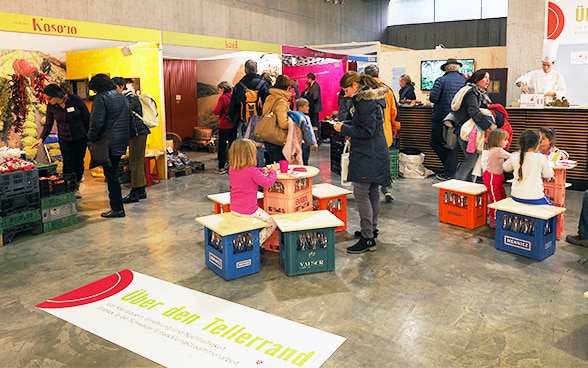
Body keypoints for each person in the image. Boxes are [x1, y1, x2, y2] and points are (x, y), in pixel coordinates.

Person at [332, 71, 391, 254]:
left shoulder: (365, 102)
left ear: (355, 86)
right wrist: (349, 126)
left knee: (361, 193)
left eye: (346, 89)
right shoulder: (371, 100)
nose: (345, 93)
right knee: (372, 191)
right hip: (375, 152)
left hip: (368, 154)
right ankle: (371, 230)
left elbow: (367, 131)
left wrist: (344, 128)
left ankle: (367, 239)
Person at [32, 83, 90, 199]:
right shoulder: (52, 107)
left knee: (78, 162)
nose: (48, 101)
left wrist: (89, 136)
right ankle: (69, 187)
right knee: (68, 163)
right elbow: (48, 124)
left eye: (49, 98)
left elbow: (87, 118)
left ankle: (76, 185)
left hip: (80, 137)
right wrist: (41, 139)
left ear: (57, 95)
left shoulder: (75, 100)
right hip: (64, 138)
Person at [87, 74, 131, 218]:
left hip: (107, 142)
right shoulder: (121, 97)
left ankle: (117, 208)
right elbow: (128, 118)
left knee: (111, 176)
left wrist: (91, 138)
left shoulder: (102, 98)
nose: (94, 93)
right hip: (121, 140)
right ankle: (118, 207)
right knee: (114, 174)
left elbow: (97, 122)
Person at [228, 139, 279, 246]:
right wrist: (273, 171)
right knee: (272, 223)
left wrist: (261, 170)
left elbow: (246, 174)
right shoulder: (251, 171)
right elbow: (268, 183)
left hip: (234, 208)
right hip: (249, 210)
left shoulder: (232, 168)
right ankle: (255, 244)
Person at [363, 64, 400, 202]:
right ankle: (386, 188)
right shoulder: (387, 90)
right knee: (384, 161)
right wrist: (396, 128)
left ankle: (368, 188)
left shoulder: (362, 90)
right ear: (378, 75)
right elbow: (394, 112)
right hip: (385, 133)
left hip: (366, 133)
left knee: (367, 161)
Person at [451, 69, 495, 182]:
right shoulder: (472, 93)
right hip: (468, 131)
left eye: (488, 78)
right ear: (477, 79)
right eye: (485, 77)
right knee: (472, 159)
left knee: (473, 160)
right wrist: (488, 126)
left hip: (469, 130)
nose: (488, 80)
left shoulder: (476, 92)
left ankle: (468, 186)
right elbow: (474, 112)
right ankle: (457, 184)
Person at [112, 77, 150, 203]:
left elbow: (125, 115)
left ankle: (135, 192)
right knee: (136, 162)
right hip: (137, 132)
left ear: (121, 86)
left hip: (137, 133)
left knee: (135, 162)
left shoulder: (129, 98)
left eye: (114, 87)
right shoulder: (128, 97)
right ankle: (140, 191)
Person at [429, 58, 467, 181]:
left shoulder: (441, 80)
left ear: (446, 68)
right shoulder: (465, 81)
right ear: (458, 68)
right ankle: (450, 170)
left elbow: (433, 98)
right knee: (452, 145)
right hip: (459, 118)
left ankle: (449, 171)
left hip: (441, 117)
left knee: (435, 142)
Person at [503, 129, 554, 205]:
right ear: (537, 144)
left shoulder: (515, 156)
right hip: (535, 196)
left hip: (516, 195)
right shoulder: (540, 157)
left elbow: (505, 168)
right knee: (552, 211)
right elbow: (549, 174)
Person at [227, 59, 270, 135]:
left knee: (243, 145)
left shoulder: (239, 86)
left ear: (245, 70)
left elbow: (233, 105)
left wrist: (231, 118)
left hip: (243, 121)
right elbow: (268, 103)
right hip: (260, 122)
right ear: (256, 70)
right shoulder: (264, 85)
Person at [482, 129, 511, 228]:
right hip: (492, 178)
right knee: (496, 199)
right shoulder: (497, 150)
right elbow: (510, 157)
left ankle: (498, 215)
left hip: (497, 177)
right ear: (497, 140)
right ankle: (493, 218)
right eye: (505, 140)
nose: (507, 142)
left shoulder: (496, 150)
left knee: (502, 196)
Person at [260, 74, 292, 164]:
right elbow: (282, 123)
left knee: (270, 166)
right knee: (280, 167)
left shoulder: (269, 97)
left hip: (267, 136)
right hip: (277, 139)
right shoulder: (281, 101)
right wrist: (292, 122)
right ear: (287, 87)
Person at [287, 98, 318, 165]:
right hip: (304, 143)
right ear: (300, 107)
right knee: (305, 163)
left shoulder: (291, 116)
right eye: (306, 106)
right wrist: (313, 144)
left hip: (294, 143)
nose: (308, 108)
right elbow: (309, 131)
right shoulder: (305, 118)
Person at [213, 81, 235, 174]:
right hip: (233, 125)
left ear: (222, 89)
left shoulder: (222, 98)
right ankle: (233, 166)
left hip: (224, 125)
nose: (219, 91)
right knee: (232, 146)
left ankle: (221, 167)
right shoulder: (234, 97)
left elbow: (217, 111)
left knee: (222, 146)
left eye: (219, 89)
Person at [301, 73, 322, 141]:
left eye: (307, 78)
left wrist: (309, 98)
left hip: (315, 107)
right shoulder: (313, 85)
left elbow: (315, 96)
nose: (306, 80)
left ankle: (318, 137)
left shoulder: (315, 85)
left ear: (310, 78)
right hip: (314, 107)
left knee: (315, 122)